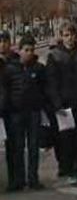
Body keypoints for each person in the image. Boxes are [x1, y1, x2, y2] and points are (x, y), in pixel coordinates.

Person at [46, 22, 77, 184]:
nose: (70, 38)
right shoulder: (55, 56)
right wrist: (57, 103)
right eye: (66, 35)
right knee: (66, 139)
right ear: (61, 36)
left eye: (72, 35)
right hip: (64, 105)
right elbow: (51, 82)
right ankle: (68, 169)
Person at [2, 35, 48, 191]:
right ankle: (17, 180)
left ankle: (33, 178)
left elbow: (44, 88)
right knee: (17, 147)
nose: (29, 53)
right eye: (26, 50)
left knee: (34, 146)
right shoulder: (10, 69)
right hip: (15, 113)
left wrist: (43, 106)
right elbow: (5, 91)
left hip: (33, 112)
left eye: (31, 50)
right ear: (20, 50)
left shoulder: (39, 68)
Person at [0, 30, 20, 191]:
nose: (2, 44)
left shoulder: (15, 61)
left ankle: (15, 180)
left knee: (14, 147)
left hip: (12, 109)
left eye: (5, 41)